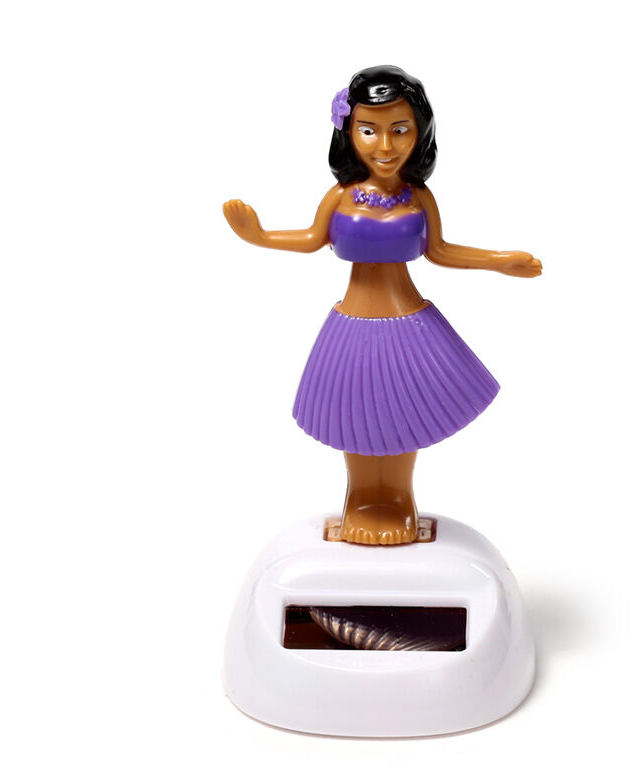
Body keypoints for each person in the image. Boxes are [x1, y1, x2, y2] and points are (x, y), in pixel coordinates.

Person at [223, 65, 541, 546]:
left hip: (409, 325)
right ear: (349, 133)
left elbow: (440, 251)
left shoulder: (419, 197)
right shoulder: (340, 197)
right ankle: (361, 499)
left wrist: (499, 261)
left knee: (401, 418)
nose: (386, 146)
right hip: (352, 327)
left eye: (400, 129)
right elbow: (311, 238)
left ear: (420, 132)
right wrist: (259, 236)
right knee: (356, 417)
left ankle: (396, 498)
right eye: (369, 130)